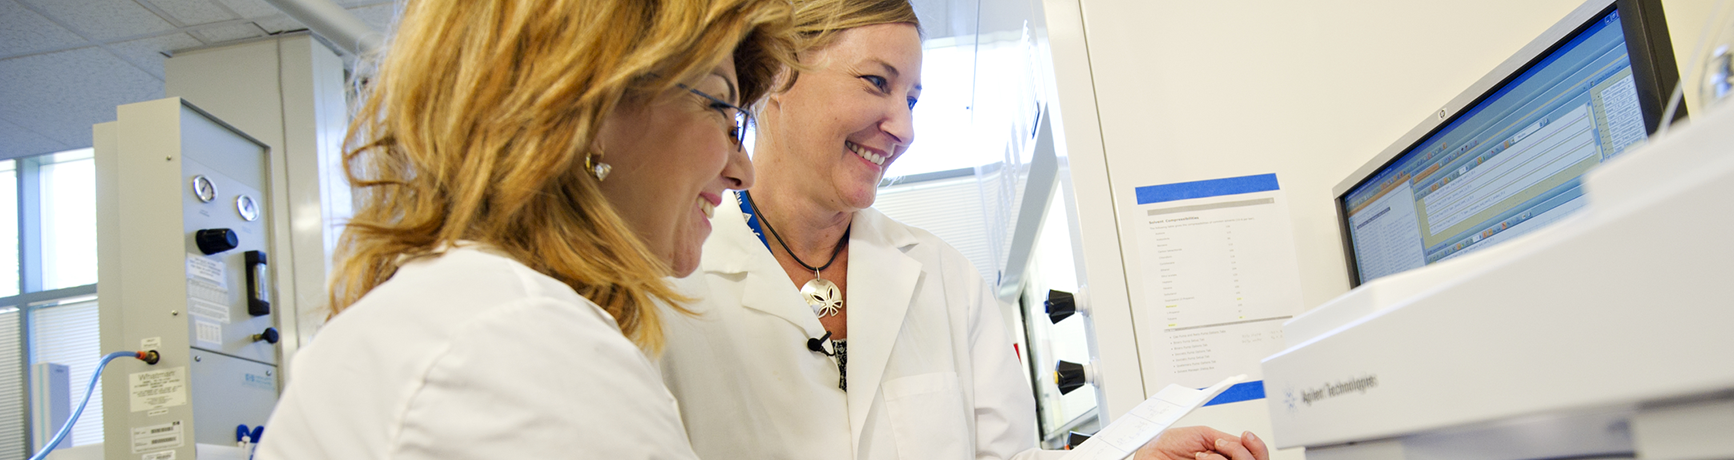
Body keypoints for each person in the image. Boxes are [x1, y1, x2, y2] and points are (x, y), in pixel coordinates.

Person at [653, 1, 1272, 459]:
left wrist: (1132, 459)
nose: (903, 126)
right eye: (877, 82)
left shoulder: (944, 278)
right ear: (780, 77)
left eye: (914, 99)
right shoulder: (670, 283)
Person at [258, 0, 796, 458]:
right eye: (719, 109)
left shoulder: (474, 311)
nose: (741, 169)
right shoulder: (517, 343)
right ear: (591, 102)